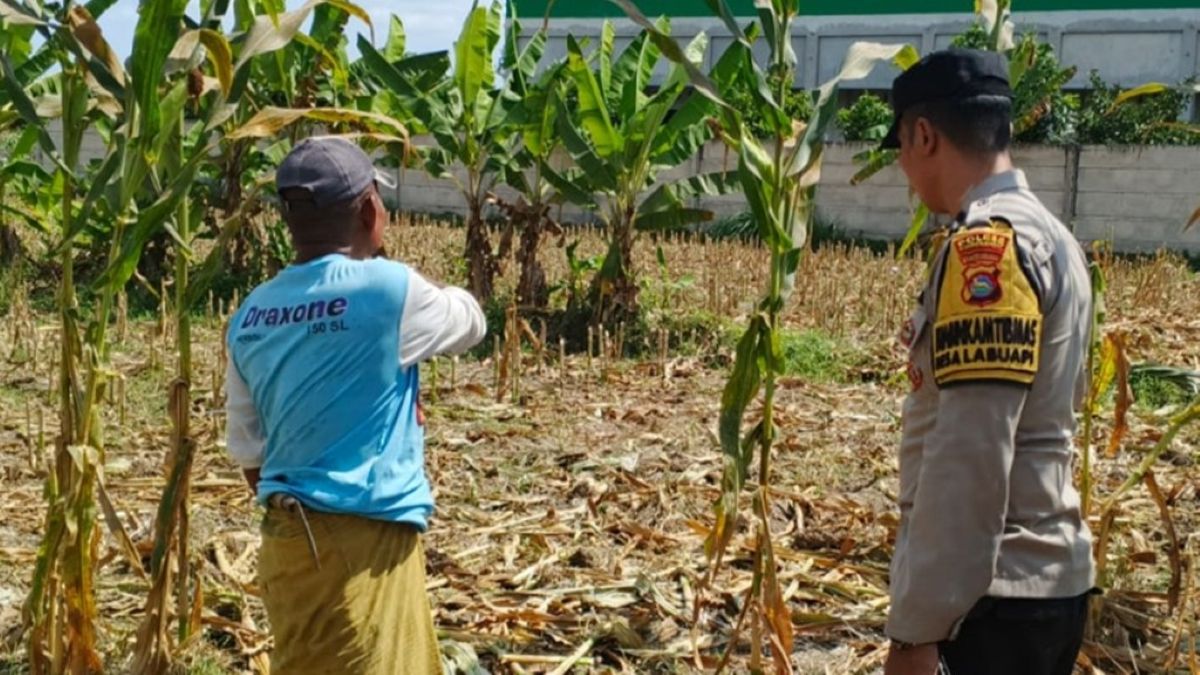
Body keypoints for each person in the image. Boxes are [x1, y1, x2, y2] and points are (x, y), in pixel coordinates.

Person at [224, 136, 486, 674]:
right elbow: (471, 323)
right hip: (362, 549)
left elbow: (250, 455)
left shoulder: (249, 314)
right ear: (370, 210)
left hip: (288, 545)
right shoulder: (389, 292)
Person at [879, 49, 1096, 675]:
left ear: (924, 135)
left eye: (899, 145)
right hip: (1043, 589)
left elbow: (971, 452)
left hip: (992, 603)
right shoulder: (1052, 236)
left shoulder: (987, 246)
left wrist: (918, 631)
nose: (902, 167)